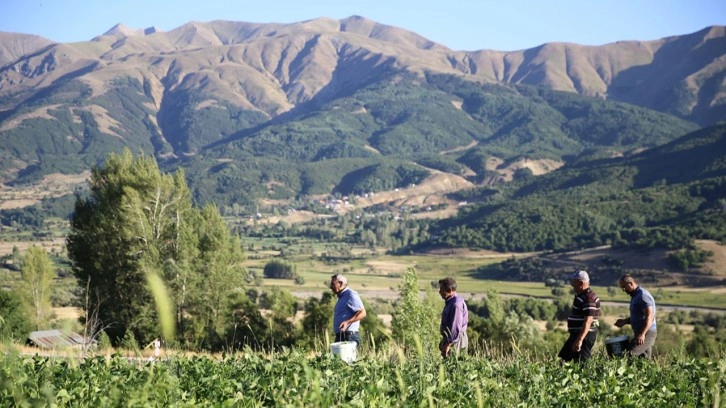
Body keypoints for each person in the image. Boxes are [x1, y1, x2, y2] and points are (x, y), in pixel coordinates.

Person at [558, 270, 600, 363]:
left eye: (574, 282)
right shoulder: (582, 296)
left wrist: (579, 340)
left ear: (581, 283)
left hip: (584, 336)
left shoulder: (588, 298)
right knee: (564, 360)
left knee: (582, 365)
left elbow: (588, 321)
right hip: (577, 335)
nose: (572, 285)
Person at [614, 273, 657, 358]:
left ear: (630, 284)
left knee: (628, 355)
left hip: (647, 332)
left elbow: (649, 316)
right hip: (642, 332)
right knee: (643, 360)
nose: (623, 290)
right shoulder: (636, 296)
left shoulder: (642, 296)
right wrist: (625, 321)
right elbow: (639, 317)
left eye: (624, 287)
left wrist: (642, 334)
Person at [330, 273, 366, 347]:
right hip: (341, 336)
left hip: (349, 337)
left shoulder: (351, 295)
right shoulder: (342, 297)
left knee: (348, 358)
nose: (331, 287)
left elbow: (362, 313)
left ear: (340, 283)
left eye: (333, 284)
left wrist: (347, 322)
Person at [438, 277, 469, 358]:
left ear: (449, 290)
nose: (439, 292)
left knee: (454, 366)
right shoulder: (451, 302)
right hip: (452, 339)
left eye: (441, 289)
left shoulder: (456, 304)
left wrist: (448, 344)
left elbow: (455, 328)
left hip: (456, 340)